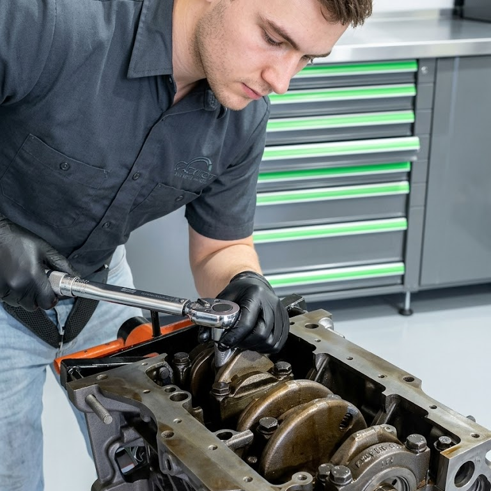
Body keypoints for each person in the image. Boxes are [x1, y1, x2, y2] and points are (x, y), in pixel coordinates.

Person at [0, 0, 372, 489]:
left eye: (306, 58)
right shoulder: (47, 21)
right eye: (274, 39)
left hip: (98, 285)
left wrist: (244, 280)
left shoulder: (242, 115)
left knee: (154, 461)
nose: (281, 80)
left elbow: (221, 248)